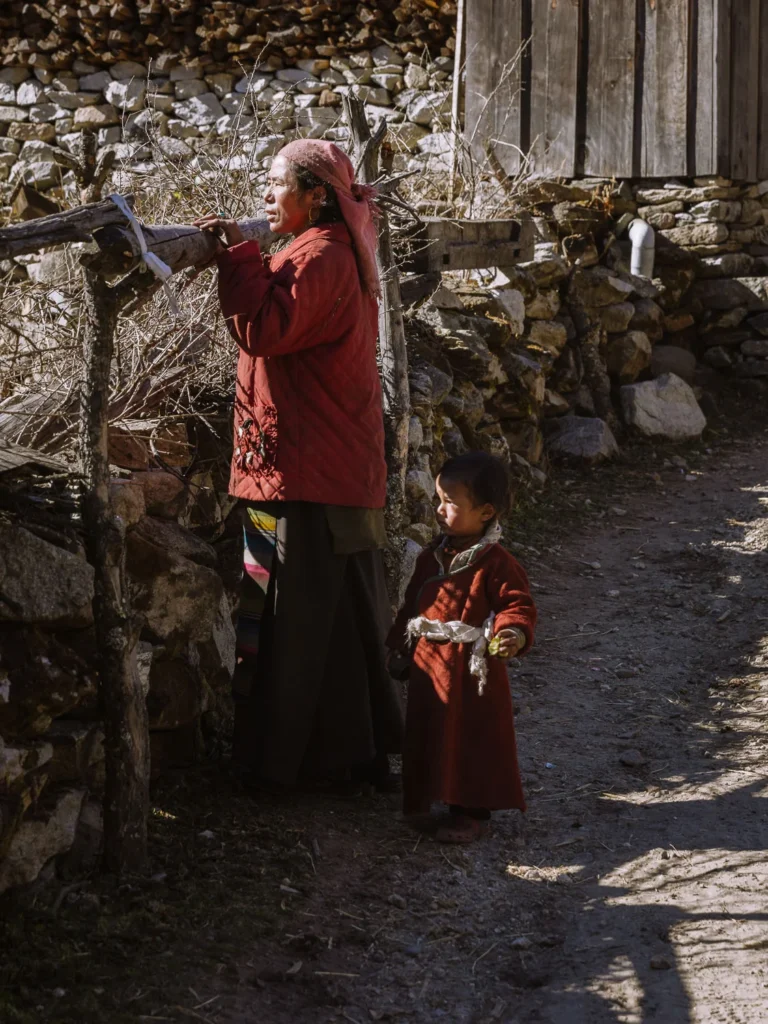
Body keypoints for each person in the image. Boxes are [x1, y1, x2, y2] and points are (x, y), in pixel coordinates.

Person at [194, 140, 403, 791]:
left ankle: (290, 764)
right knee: (324, 613)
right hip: (314, 469)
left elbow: (266, 329)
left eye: (276, 184)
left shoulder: (323, 258)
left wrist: (234, 256)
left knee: (301, 616)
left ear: (317, 196)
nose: (265, 196)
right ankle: (338, 757)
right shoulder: (325, 252)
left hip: (311, 474)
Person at [387, 452, 537, 842]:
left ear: (486, 512)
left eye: (450, 503)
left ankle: (470, 811)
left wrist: (513, 634)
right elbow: (412, 604)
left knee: (471, 737)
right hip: (429, 666)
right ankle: (425, 799)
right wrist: (400, 648)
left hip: (471, 672)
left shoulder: (496, 562)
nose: (439, 510)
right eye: (439, 499)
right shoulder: (432, 556)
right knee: (426, 732)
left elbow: (516, 605)